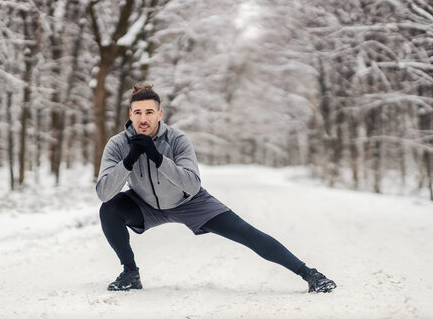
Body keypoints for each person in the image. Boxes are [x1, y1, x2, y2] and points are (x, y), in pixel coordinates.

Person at [96, 84, 336, 293]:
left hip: (190, 202)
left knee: (245, 231)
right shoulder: (118, 144)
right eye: (137, 113)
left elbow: (192, 184)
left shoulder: (177, 140)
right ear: (130, 114)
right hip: (145, 204)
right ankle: (130, 273)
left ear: (160, 113)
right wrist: (129, 160)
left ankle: (309, 274)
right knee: (109, 209)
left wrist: (158, 158)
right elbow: (104, 193)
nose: (143, 119)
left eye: (149, 112)